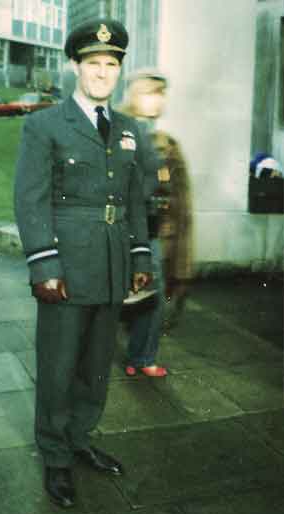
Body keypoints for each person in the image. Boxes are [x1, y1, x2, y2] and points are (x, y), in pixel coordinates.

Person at [14, 19, 161, 509]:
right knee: (58, 365)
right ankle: (55, 457)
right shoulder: (45, 125)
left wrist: (140, 254)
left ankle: (80, 438)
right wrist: (43, 265)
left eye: (111, 65)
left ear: (119, 72)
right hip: (67, 263)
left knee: (97, 364)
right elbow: (29, 200)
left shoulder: (128, 129)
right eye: (93, 63)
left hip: (114, 261)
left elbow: (137, 200)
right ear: (74, 66)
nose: (102, 73)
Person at [120, 69, 193, 377]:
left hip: (149, 229)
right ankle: (139, 357)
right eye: (152, 92)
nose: (159, 100)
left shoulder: (160, 138)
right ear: (136, 94)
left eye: (162, 93)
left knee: (152, 295)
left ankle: (142, 357)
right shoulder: (121, 130)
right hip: (122, 229)